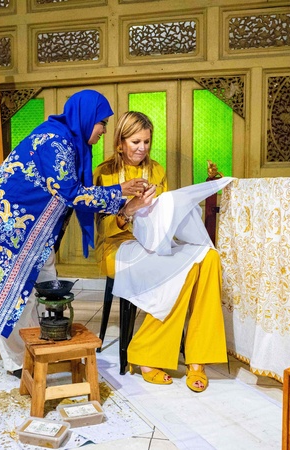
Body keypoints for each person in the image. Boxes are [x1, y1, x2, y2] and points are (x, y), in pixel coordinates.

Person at [0, 91, 149, 371]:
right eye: (102, 123)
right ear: (85, 117)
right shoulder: (55, 141)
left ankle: (41, 347)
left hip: (28, 223)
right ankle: (20, 362)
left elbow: (70, 191)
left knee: (44, 281)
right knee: (16, 290)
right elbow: (70, 193)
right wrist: (119, 191)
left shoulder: (70, 141)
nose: (104, 130)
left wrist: (120, 198)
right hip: (4, 221)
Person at [93, 111, 228, 392]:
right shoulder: (104, 173)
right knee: (182, 270)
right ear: (120, 143)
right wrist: (129, 209)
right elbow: (102, 229)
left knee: (208, 257)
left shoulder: (156, 170)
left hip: (153, 242)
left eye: (147, 142)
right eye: (135, 142)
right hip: (116, 247)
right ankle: (146, 353)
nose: (142, 148)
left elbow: (164, 213)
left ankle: (198, 359)